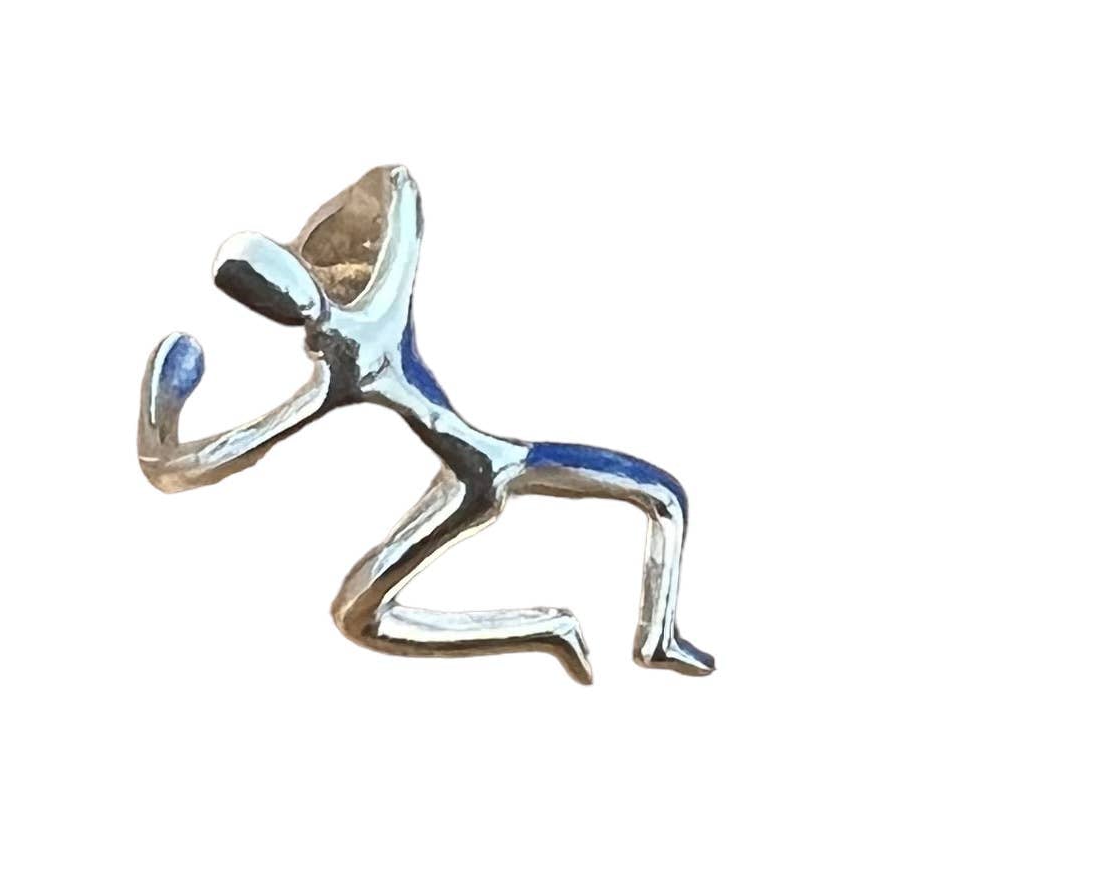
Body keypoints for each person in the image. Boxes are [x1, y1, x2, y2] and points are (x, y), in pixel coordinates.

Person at [138, 166, 714, 684]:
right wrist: (338, 240)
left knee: (358, 618)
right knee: (663, 499)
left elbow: (182, 467)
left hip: (495, 465)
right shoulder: (376, 316)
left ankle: (636, 638)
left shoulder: (342, 366)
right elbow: (398, 189)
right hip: (485, 474)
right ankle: (562, 630)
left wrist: (164, 406)